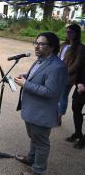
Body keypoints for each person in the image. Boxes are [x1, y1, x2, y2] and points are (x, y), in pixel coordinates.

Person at [14, 32, 68, 175]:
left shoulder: (58, 67)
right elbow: (39, 77)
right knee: (34, 138)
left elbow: (51, 92)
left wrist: (26, 84)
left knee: (42, 144)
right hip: (32, 109)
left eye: (41, 44)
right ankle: (31, 159)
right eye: (36, 43)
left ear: (52, 47)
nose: (36, 47)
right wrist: (27, 76)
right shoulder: (40, 60)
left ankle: (38, 171)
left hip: (42, 112)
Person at [58, 24, 84, 125]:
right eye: (67, 32)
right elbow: (59, 57)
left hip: (68, 76)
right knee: (56, 94)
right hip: (58, 73)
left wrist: (65, 71)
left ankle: (59, 117)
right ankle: (55, 112)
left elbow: (77, 64)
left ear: (76, 33)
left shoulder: (80, 48)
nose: (68, 34)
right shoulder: (64, 44)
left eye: (70, 32)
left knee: (63, 96)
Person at [65, 39, 85, 149]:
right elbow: (80, 68)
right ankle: (78, 133)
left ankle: (84, 140)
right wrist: (79, 83)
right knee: (75, 108)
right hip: (80, 87)